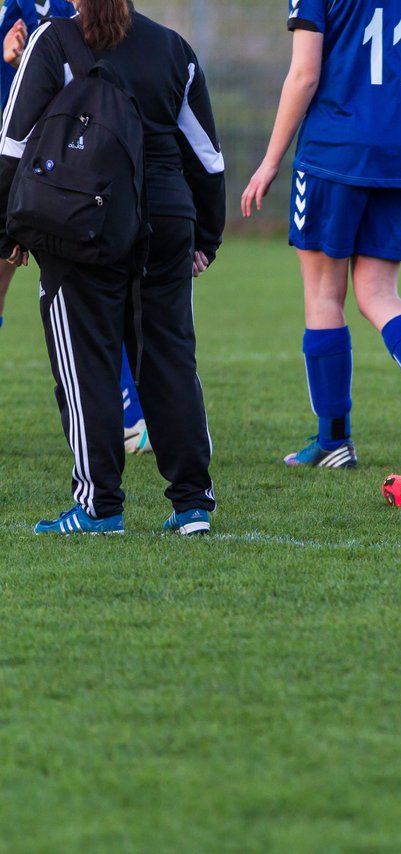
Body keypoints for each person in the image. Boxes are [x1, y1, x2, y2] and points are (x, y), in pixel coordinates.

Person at [0, 0, 226, 535]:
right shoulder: (173, 47)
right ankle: (193, 503)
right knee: (169, 354)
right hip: (166, 220)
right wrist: (206, 237)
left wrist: (8, 232)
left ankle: (99, 506)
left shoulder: (54, 40)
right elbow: (208, 158)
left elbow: (11, 144)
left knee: (86, 362)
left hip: (81, 219)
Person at [242, 0, 401, 469]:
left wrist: (269, 161)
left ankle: (334, 441)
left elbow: (304, 74)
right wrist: (398, 144)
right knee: (379, 293)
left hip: (334, 155)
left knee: (325, 294)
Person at [0, 0, 151, 455]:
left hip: (64, 170)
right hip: (15, 158)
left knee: (90, 289)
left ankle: (128, 417)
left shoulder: (77, 8)